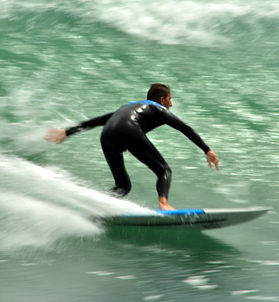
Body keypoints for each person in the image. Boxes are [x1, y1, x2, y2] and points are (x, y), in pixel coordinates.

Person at [45, 83, 219, 210]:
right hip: (129, 130)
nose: (171, 104)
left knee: (123, 186)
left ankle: (99, 206)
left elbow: (99, 120)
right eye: (169, 99)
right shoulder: (159, 108)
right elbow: (184, 128)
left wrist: (67, 132)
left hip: (107, 135)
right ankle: (164, 203)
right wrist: (207, 150)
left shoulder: (131, 106)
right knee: (164, 170)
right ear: (161, 99)